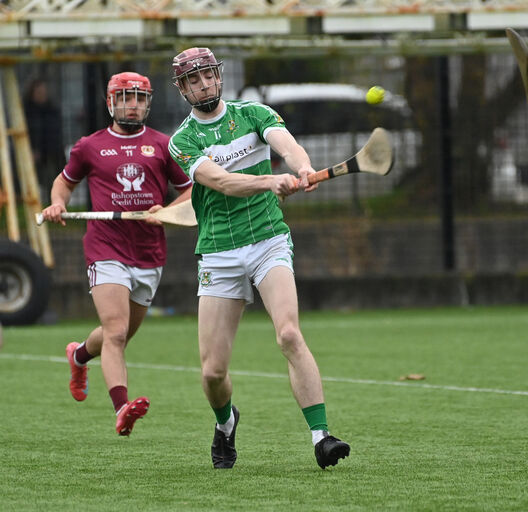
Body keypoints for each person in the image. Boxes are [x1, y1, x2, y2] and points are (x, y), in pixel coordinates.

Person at [167, 47, 350, 470]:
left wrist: (302, 168)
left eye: (209, 75)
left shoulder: (252, 113)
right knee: (213, 373)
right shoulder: (183, 141)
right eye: (193, 80)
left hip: (267, 238)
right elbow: (223, 182)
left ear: (219, 76)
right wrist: (270, 181)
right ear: (182, 89)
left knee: (288, 334)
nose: (204, 84)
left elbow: (287, 144)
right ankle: (225, 423)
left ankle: (322, 437)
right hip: (218, 251)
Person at [40, 72, 192, 436]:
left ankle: (78, 356)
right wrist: (57, 204)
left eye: (139, 98)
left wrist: (167, 213)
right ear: (110, 102)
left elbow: (189, 192)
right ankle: (122, 408)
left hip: (149, 253)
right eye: (125, 97)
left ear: (148, 103)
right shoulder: (89, 146)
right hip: (106, 248)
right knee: (116, 331)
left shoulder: (163, 145)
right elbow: (64, 182)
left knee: (121, 333)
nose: (132, 104)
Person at [24, 78, 65, 198]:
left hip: (53, 150)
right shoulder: (28, 111)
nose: (42, 94)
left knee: (54, 180)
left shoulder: (52, 109)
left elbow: (57, 131)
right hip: (36, 152)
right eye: (39, 92)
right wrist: (32, 149)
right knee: (35, 181)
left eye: (43, 91)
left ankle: (54, 201)